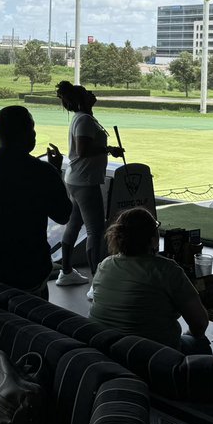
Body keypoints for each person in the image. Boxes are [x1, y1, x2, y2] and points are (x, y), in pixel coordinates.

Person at [0, 105, 72, 297]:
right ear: (24, 133)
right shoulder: (44, 172)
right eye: (32, 129)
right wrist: (56, 173)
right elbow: (63, 215)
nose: (35, 135)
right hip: (30, 274)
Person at [89, 206, 212, 355]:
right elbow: (200, 324)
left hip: (107, 350)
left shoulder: (105, 265)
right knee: (201, 343)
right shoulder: (166, 270)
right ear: (153, 239)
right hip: (153, 356)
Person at [54, 81, 125, 294]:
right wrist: (109, 149)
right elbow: (83, 150)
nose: (91, 92)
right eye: (86, 92)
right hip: (85, 181)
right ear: (80, 99)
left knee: (74, 225)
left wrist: (106, 149)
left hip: (77, 179)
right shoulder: (84, 119)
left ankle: (66, 272)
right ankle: (97, 285)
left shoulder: (83, 118)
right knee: (95, 230)